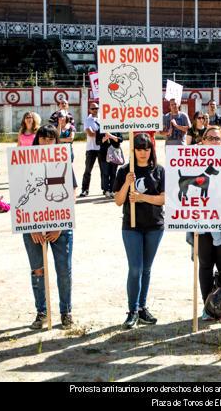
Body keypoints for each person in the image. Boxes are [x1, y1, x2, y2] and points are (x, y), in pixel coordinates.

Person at [24, 124, 75, 330]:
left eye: (50, 138)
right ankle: (42, 312)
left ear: (56, 141)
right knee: (37, 270)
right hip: (32, 227)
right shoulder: (25, 163)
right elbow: (23, 196)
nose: (46, 142)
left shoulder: (64, 161)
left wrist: (60, 226)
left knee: (63, 271)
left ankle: (66, 312)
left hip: (60, 226)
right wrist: (32, 227)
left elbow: (70, 197)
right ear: (37, 140)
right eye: (43, 138)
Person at [113, 133, 165, 329]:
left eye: (147, 148)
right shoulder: (125, 171)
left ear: (151, 150)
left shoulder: (159, 170)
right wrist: (127, 182)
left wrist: (142, 198)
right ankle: (132, 310)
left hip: (155, 225)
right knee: (135, 269)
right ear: (133, 150)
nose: (143, 153)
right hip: (131, 226)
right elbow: (118, 201)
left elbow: (164, 198)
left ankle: (142, 308)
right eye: (139, 148)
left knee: (146, 269)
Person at [190, 125, 221, 321]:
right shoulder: (191, 162)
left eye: (218, 139)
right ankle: (208, 308)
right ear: (202, 140)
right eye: (210, 138)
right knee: (206, 265)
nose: (214, 141)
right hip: (200, 219)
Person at [80, 103, 105, 197]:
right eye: (93, 108)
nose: (95, 110)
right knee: (87, 170)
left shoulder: (102, 119)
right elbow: (90, 134)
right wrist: (101, 133)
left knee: (104, 170)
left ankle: (105, 189)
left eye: (97, 108)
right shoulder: (87, 120)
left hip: (102, 147)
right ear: (89, 110)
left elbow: (97, 132)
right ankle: (85, 190)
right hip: (91, 148)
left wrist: (96, 132)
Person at [56, 111, 78, 190]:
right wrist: (59, 125)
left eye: (62, 116)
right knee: (59, 169)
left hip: (68, 151)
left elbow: (71, 139)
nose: (61, 118)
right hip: (59, 152)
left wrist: (60, 140)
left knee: (68, 169)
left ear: (66, 117)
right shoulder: (57, 127)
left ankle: (72, 186)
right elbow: (56, 137)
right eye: (59, 117)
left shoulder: (71, 127)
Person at [100, 131, 123, 199]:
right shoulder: (101, 129)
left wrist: (111, 136)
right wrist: (104, 139)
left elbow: (120, 139)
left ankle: (113, 191)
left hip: (115, 155)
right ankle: (106, 191)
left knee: (113, 174)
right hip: (104, 155)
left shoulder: (116, 128)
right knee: (105, 174)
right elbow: (98, 142)